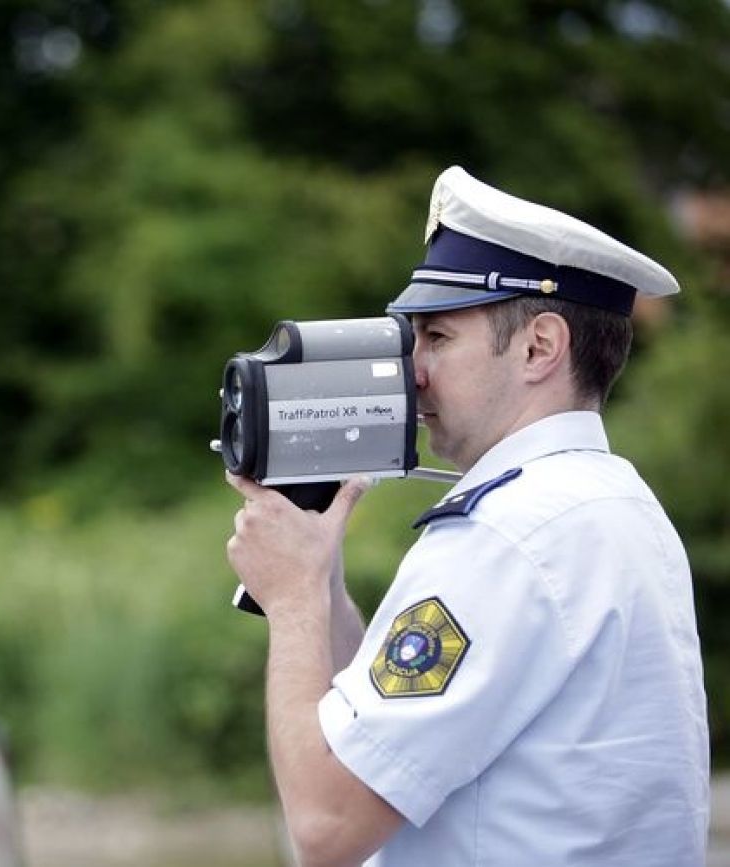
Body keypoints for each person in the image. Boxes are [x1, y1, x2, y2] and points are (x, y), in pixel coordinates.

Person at [225, 166, 709, 866]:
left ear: (540, 346)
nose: (412, 370)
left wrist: (295, 600)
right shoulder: (612, 503)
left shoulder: (507, 534)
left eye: (438, 337)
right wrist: (320, 572)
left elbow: (326, 825)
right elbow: (383, 727)